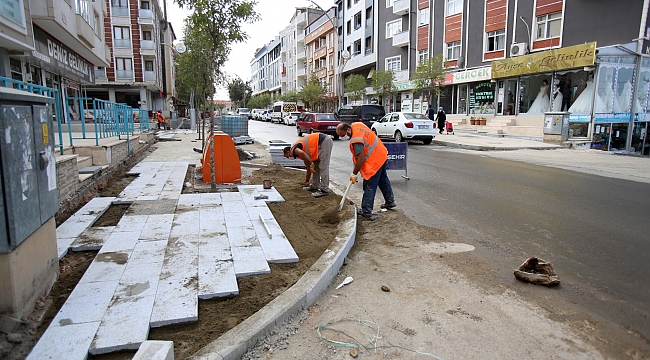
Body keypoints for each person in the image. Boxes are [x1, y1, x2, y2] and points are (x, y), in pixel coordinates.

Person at [335, 122, 396, 221]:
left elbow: (361, 158)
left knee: (369, 185)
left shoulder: (356, 140)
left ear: (348, 130)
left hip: (375, 160)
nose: (343, 138)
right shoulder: (356, 125)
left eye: (343, 135)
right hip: (381, 153)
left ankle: (366, 211)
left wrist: (354, 173)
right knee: (382, 179)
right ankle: (390, 201)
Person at [283, 132, 333, 198]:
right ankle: (315, 185)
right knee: (315, 167)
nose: (288, 158)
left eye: (287, 156)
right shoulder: (302, 152)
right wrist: (307, 180)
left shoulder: (293, 150)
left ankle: (324, 190)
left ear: (288, 152)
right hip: (318, 145)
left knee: (323, 166)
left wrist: (311, 163)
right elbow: (308, 167)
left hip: (323, 142)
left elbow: (302, 154)